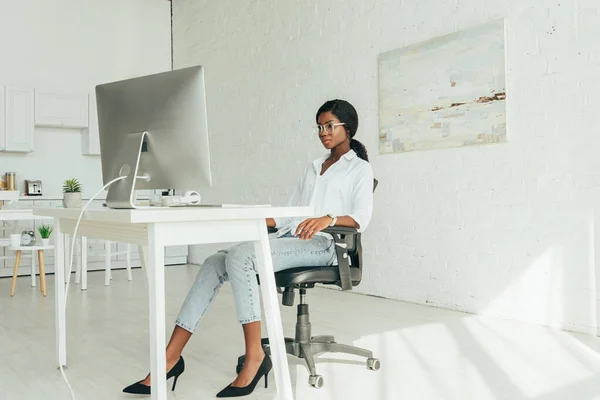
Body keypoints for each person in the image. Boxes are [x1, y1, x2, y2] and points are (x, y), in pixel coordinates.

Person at [123, 99, 374, 398]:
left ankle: (254, 356)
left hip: (326, 244)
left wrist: (327, 219)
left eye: (329, 125)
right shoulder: (313, 167)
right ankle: (170, 357)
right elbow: (291, 212)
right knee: (215, 262)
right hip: (291, 237)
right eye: (319, 126)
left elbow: (361, 218)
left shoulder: (358, 169)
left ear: (348, 127)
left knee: (242, 257)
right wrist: (251, 215)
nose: (323, 131)